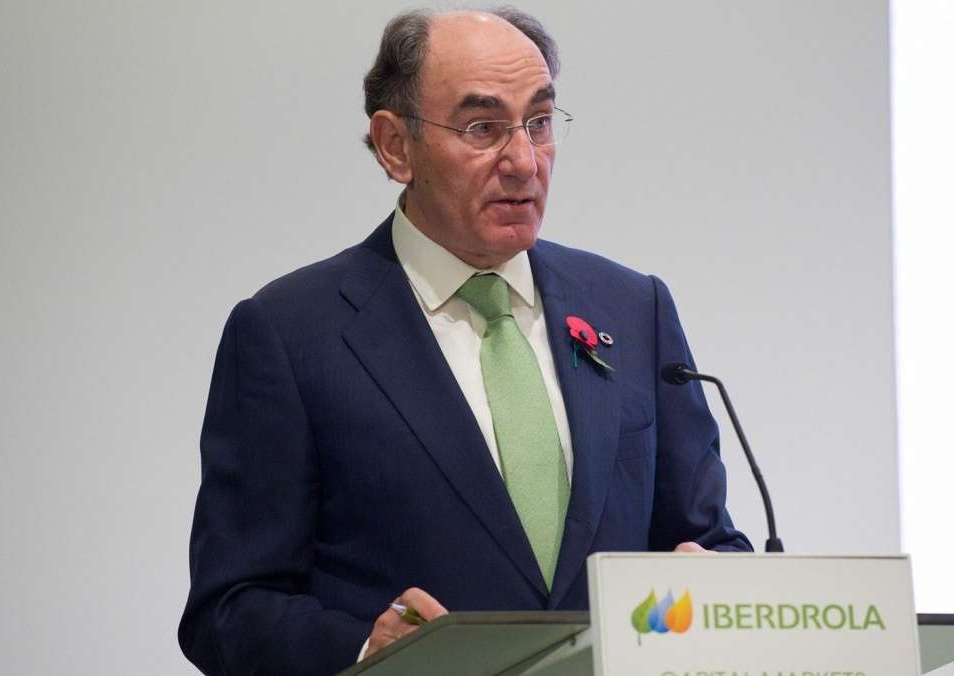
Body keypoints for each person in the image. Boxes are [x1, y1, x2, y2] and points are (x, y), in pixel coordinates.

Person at [178, 7, 751, 676]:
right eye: (483, 128)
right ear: (396, 147)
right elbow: (229, 609)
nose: (524, 162)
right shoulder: (290, 334)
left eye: (539, 122)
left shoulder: (632, 308)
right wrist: (364, 652)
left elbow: (706, 540)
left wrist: (718, 584)